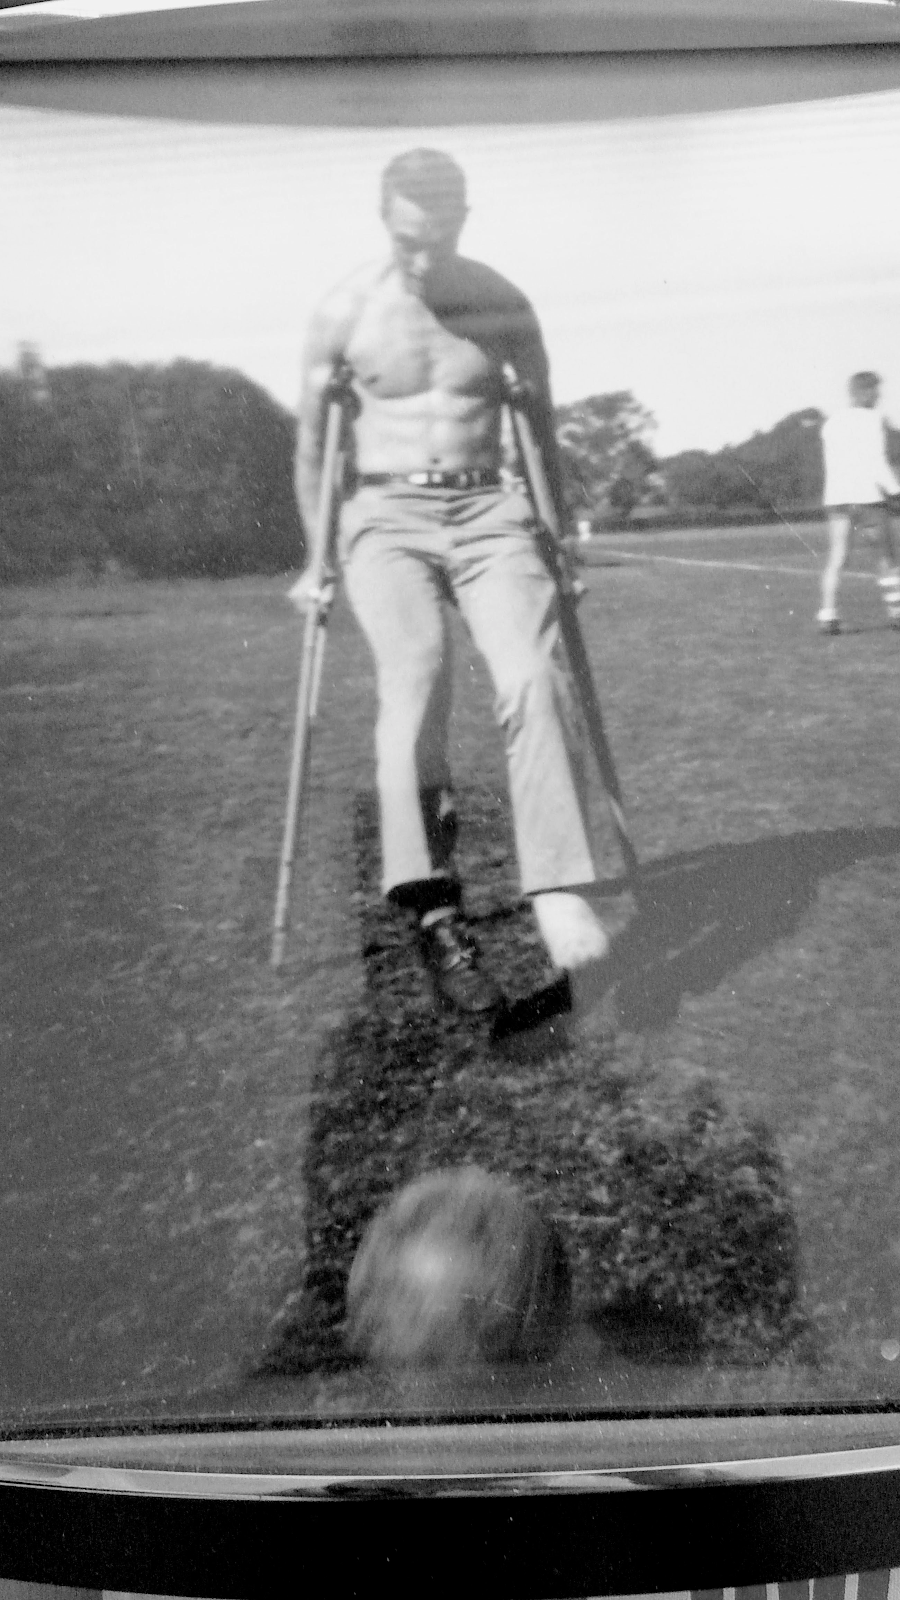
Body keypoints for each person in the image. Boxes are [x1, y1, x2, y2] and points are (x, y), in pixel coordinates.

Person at [289, 148, 610, 1021]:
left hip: (489, 512)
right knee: (416, 680)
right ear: (384, 223)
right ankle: (433, 908)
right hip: (384, 517)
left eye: (437, 241)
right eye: (407, 242)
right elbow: (313, 449)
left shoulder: (503, 304)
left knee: (534, 676)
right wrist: (316, 560)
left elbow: (541, 432)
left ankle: (557, 885)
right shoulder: (345, 310)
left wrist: (559, 540)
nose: (422, 261)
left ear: (464, 222)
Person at [817, 370, 900, 634]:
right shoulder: (873, 419)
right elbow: (877, 461)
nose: (878, 397)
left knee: (838, 557)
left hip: (838, 500)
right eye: (875, 391)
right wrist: (895, 491)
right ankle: (896, 612)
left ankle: (828, 614)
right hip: (868, 498)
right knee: (885, 558)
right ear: (864, 392)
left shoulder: (831, 423)